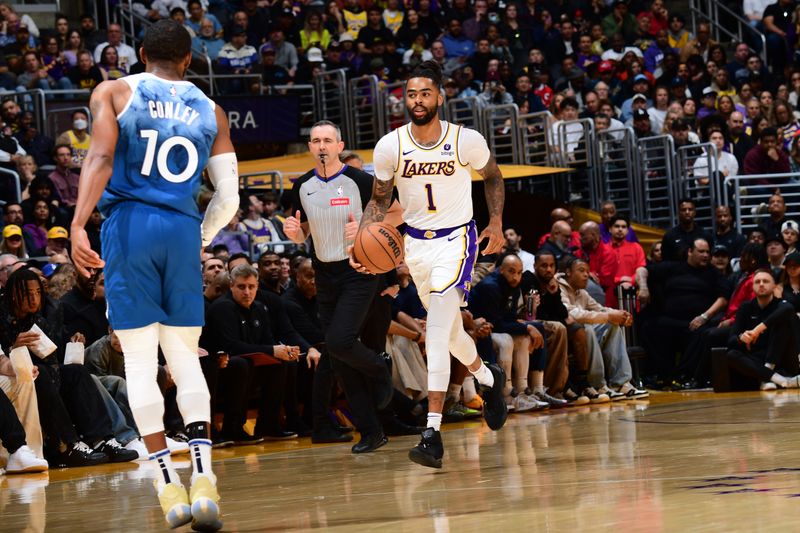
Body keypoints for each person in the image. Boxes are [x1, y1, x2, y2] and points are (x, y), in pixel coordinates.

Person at [70, 21, 238, 531]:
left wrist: (78, 224)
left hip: (130, 227)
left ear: (141, 53)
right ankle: (205, 479)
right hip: (183, 228)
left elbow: (99, 155)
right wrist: (199, 236)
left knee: (141, 362)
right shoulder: (210, 109)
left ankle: (169, 486)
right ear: (189, 59)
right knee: (185, 358)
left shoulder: (116, 90)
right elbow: (229, 198)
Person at [356, 60, 508, 469]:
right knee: (452, 331)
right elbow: (380, 199)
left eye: (425, 93)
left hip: (457, 241)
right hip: (415, 248)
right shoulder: (390, 145)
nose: (418, 100)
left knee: (438, 333)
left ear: (440, 97)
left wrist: (494, 222)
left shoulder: (465, 139)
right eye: (411, 94)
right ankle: (490, 377)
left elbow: (493, 176)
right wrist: (362, 241)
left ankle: (432, 433)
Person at [283, 120, 397, 454]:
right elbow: (302, 233)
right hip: (324, 274)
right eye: (315, 140)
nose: (321, 146)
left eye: (327, 141)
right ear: (310, 147)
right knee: (341, 358)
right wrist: (294, 233)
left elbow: (399, 212)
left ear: (338, 145)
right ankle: (371, 431)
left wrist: (367, 226)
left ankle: (379, 366)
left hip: (358, 270)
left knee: (339, 341)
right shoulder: (302, 185)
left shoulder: (361, 180)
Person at [725, 270, 800, 390]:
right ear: (753, 286)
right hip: (756, 358)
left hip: (779, 358)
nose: (761, 284)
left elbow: (789, 308)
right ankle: (781, 381)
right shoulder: (745, 307)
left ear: (774, 286)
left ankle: (767, 376)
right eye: (757, 282)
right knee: (730, 355)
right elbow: (731, 340)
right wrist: (741, 338)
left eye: (765, 281)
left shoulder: (781, 305)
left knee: (782, 321)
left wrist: (757, 330)